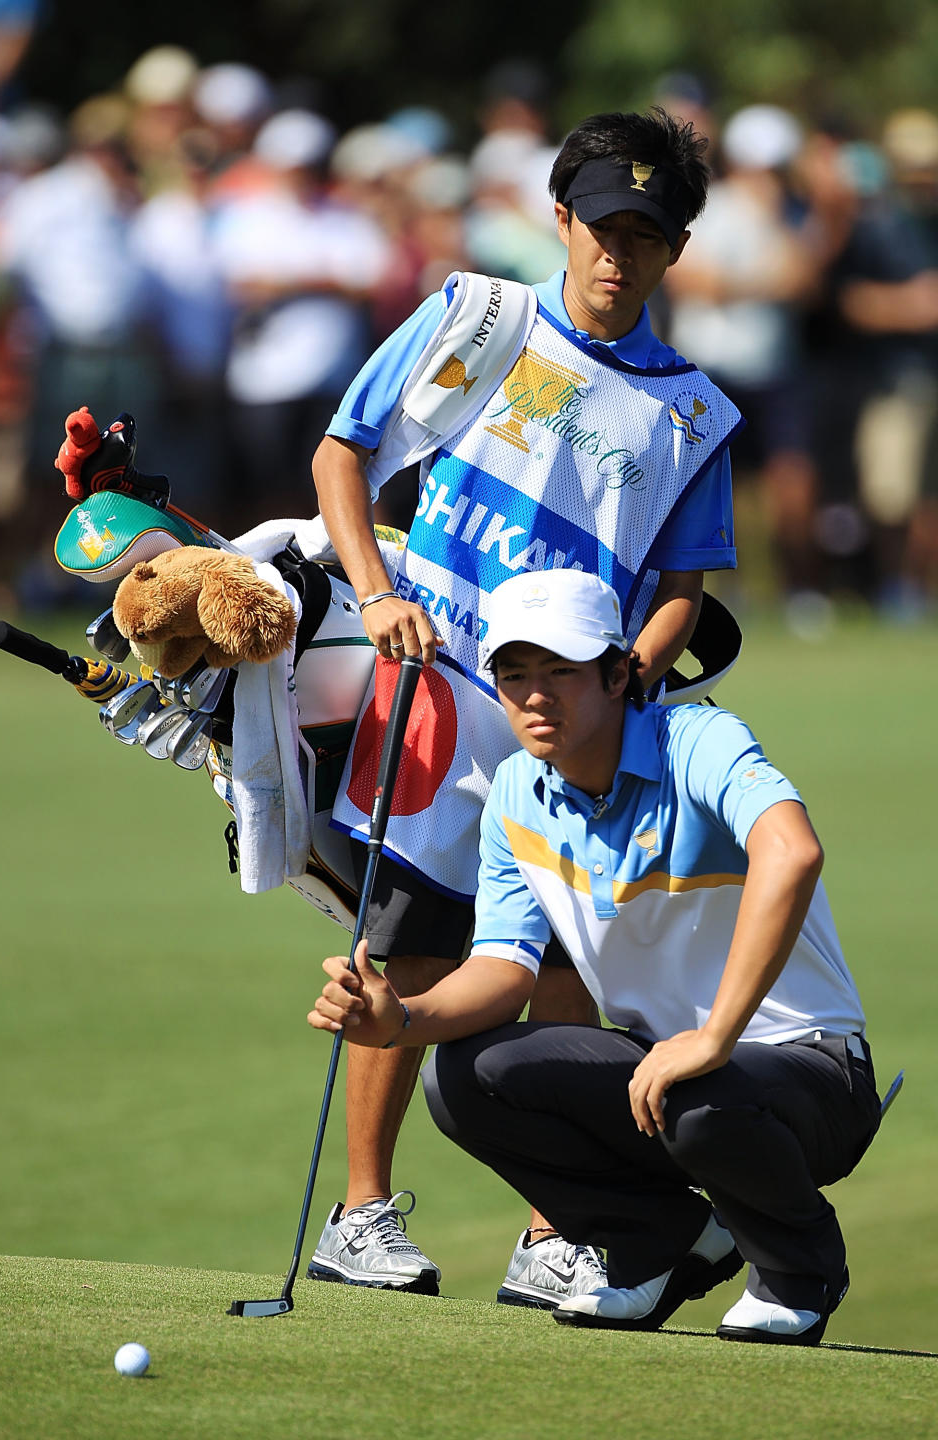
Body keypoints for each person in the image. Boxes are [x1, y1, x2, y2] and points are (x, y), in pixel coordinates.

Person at [307, 108, 743, 1304]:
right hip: (437, 688)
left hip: (572, 720)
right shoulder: (479, 321)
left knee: (564, 968)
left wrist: (632, 679)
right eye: (603, 226)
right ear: (562, 219)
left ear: (675, 250)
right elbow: (342, 454)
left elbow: (682, 590)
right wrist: (377, 590)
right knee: (416, 942)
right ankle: (359, 1213)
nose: (620, 253)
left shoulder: (693, 412)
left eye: (647, 235)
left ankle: (555, 1230)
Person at [309, 569, 881, 1345]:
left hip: (811, 1074)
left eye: (561, 672)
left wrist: (712, 1037)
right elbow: (504, 970)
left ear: (620, 674)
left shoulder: (697, 740)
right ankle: (659, 1238)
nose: (535, 696)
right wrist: (401, 1018)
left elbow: (793, 852)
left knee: (693, 1090)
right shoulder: (515, 791)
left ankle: (797, 1265)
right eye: (514, 677)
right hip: (665, 1079)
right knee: (465, 1078)